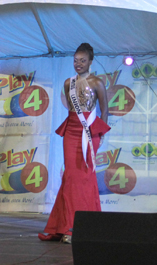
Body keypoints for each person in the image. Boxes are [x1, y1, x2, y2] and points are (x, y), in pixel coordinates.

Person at [39, 43, 110, 244]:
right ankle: (67, 225)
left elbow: (104, 110)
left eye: (82, 60)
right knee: (70, 176)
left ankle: (85, 225)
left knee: (85, 176)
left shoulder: (97, 82)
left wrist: (101, 133)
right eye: (75, 60)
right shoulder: (67, 83)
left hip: (89, 132)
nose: (78, 64)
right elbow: (70, 107)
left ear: (90, 61)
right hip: (71, 131)